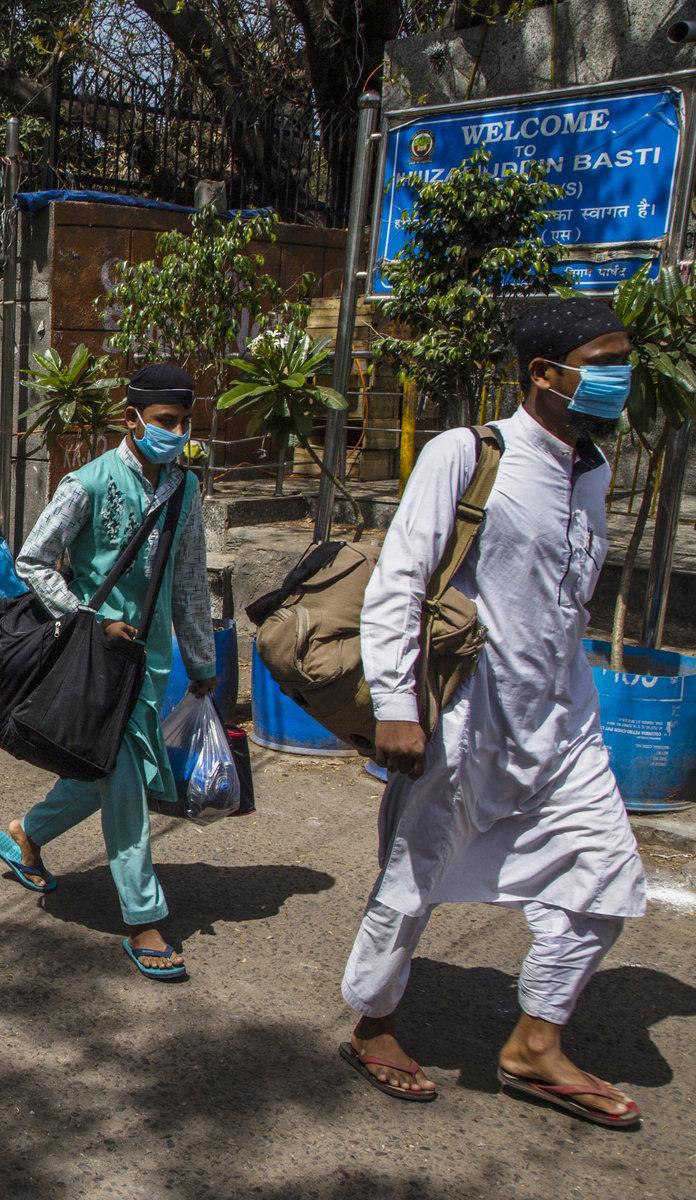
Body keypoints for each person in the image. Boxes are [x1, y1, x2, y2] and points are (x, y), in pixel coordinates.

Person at [339, 298, 646, 1128]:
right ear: (543, 376)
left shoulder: (595, 470)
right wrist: (399, 704)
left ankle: (535, 1043)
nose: (621, 377)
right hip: (468, 718)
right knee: (414, 877)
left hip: (564, 720)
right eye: (604, 361)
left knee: (608, 878)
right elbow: (401, 579)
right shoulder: (468, 453)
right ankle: (375, 1025)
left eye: (625, 359)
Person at [0, 364, 215, 981]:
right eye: (166, 422)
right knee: (125, 785)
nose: (177, 433)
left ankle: (25, 834)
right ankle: (143, 916)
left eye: (184, 423)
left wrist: (203, 662)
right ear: (131, 419)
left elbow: (189, 580)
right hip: (100, 663)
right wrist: (88, 620)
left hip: (156, 663)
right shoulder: (86, 485)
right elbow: (33, 562)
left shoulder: (185, 490)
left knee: (102, 769)